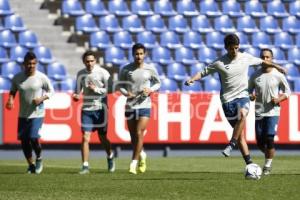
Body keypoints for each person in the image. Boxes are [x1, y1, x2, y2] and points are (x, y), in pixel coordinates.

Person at [185, 34, 286, 166]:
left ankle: (231, 144)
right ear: (226, 48)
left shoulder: (245, 57)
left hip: (242, 96)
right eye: (232, 49)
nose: (235, 51)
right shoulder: (219, 63)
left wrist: (278, 67)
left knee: (243, 114)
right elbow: (203, 72)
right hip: (227, 101)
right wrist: (192, 79)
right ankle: (249, 163)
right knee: (240, 135)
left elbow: (263, 62)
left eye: (237, 48)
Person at [5, 52, 54, 174]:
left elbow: (51, 91)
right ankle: (31, 165)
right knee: (24, 141)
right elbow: (13, 90)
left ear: (36, 63)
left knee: (33, 137)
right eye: (28, 63)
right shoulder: (18, 77)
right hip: (23, 114)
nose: (31, 66)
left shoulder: (41, 77)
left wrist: (41, 99)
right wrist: (10, 99)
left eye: (33, 63)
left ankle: (39, 157)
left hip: (37, 113)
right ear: (24, 64)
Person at [119, 43, 161, 174]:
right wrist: (126, 93)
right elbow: (120, 86)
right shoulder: (126, 69)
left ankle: (133, 163)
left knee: (138, 133)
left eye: (141, 53)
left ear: (145, 54)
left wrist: (150, 89)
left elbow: (158, 83)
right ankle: (142, 154)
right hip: (130, 105)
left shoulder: (150, 69)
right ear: (133, 54)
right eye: (136, 54)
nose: (139, 56)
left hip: (145, 105)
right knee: (133, 137)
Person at [248, 48, 291, 175]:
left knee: (269, 138)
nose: (265, 59)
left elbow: (288, 92)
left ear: (271, 59)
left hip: (273, 112)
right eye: (263, 57)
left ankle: (267, 166)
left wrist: (278, 99)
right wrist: (251, 96)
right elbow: (248, 91)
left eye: (267, 57)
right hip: (259, 112)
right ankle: (269, 155)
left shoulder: (278, 75)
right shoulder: (255, 75)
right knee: (260, 142)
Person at [73, 50, 115, 174]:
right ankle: (85, 165)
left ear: (95, 61)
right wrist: (76, 95)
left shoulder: (103, 73)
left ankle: (110, 156)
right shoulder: (80, 74)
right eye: (87, 61)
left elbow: (111, 89)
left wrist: (96, 89)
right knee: (85, 137)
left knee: (103, 138)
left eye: (92, 61)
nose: (89, 63)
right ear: (84, 62)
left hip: (101, 109)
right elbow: (77, 91)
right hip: (87, 110)